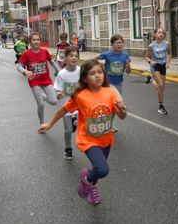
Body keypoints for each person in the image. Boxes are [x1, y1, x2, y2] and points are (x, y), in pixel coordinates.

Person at [38, 59, 127, 205]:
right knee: (102, 169)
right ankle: (87, 180)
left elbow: (122, 117)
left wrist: (122, 109)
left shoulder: (110, 93)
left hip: (105, 139)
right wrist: (50, 124)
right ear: (85, 78)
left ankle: (91, 185)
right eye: (92, 73)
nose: (98, 76)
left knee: (97, 168)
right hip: (88, 140)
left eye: (100, 72)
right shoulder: (80, 96)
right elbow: (63, 110)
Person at [17, 32, 60, 125]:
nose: (36, 41)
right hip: (34, 81)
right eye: (34, 40)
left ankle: (44, 96)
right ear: (30, 42)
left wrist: (58, 70)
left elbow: (51, 62)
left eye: (38, 39)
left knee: (54, 101)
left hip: (46, 80)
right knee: (41, 104)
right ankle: (42, 123)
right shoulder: (26, 54)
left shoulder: (44, 51)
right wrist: (25, 71)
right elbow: (19, 66)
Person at [94, 34, 131, 131]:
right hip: (108, 83)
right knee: (117, 102)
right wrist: (101, 66)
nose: (119, 45)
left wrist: (128, 66)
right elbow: (95, 58)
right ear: (112, 44)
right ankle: (105, 122)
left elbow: (128, 72)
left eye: (120, 42)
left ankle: (108, 123)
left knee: (113, 106)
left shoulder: (125, 55)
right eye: (116, 43)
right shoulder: (107, 54)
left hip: (119, 83)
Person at [54, 46, 80, 160]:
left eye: (76, 56)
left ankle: (76, 122)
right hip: (66, 107)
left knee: (81, 124)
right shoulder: (62, 74)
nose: (74, 58)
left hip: (79, 106)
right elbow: (58, 90)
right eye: (71, 56)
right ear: (65, 58)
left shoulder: (81, 71)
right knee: (68, 130)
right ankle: (68, 148)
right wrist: (59, 94)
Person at [144, 28, 171, 115]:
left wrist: (167, 62)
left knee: (161, 88)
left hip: (163, 66)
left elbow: (170, 54)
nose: (161, 34)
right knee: (161, 85)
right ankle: (161, 106)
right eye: (159, 32)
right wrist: (150, 61)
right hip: (155, 66)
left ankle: (151, 79)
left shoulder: (166, 44)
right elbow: (146, 57)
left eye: (163, 33)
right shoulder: (151, 46)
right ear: (155, 34)